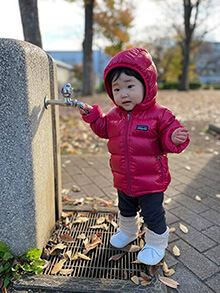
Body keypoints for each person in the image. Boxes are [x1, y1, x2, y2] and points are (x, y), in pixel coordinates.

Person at [78, 48, 190, 265]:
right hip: (123, 179)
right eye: (117, 89)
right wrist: (93, 117)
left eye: (130, 86)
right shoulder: (114, 116)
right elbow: (103, 129)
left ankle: (156, 243)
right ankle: (128, 232)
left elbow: (167, 136)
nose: (123, 94)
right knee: (125, 209)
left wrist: (174, 138)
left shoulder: (160, 114)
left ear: (146, 86)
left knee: (153, 214)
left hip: (151, 182)